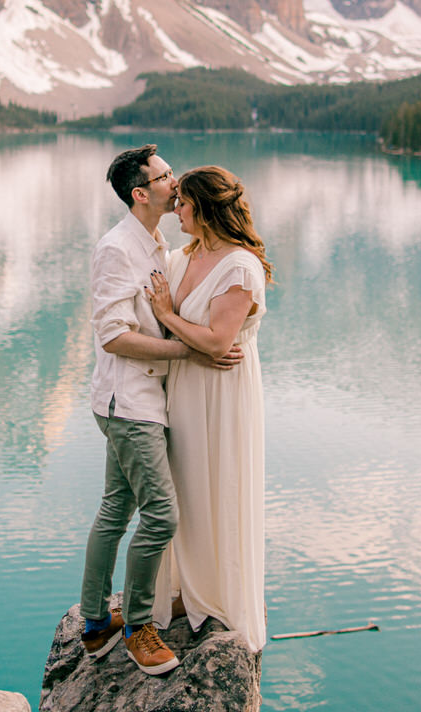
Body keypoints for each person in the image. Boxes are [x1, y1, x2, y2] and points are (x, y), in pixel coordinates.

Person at [77, 145, 241, 676]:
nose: (177, 182)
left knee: (114, 511)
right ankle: (139, 629)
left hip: (139, 401)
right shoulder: (116, 249)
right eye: (165, 176)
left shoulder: (155, 240)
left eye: (172, 173)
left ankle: (96, 624)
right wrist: (190, 351)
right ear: (139, 193)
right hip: (130, 404)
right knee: (161, 515)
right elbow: (114, 337)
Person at [146, 165, 271, 652]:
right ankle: (184, 589)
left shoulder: (240, 266)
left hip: (223, 394)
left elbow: (220, 342)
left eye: (181, 203)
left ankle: (218, 593)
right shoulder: (184, 256)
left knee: (220, 484)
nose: (174, 209)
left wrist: (166, 315)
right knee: (186, 488)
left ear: (204, 207)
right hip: (185, 390)